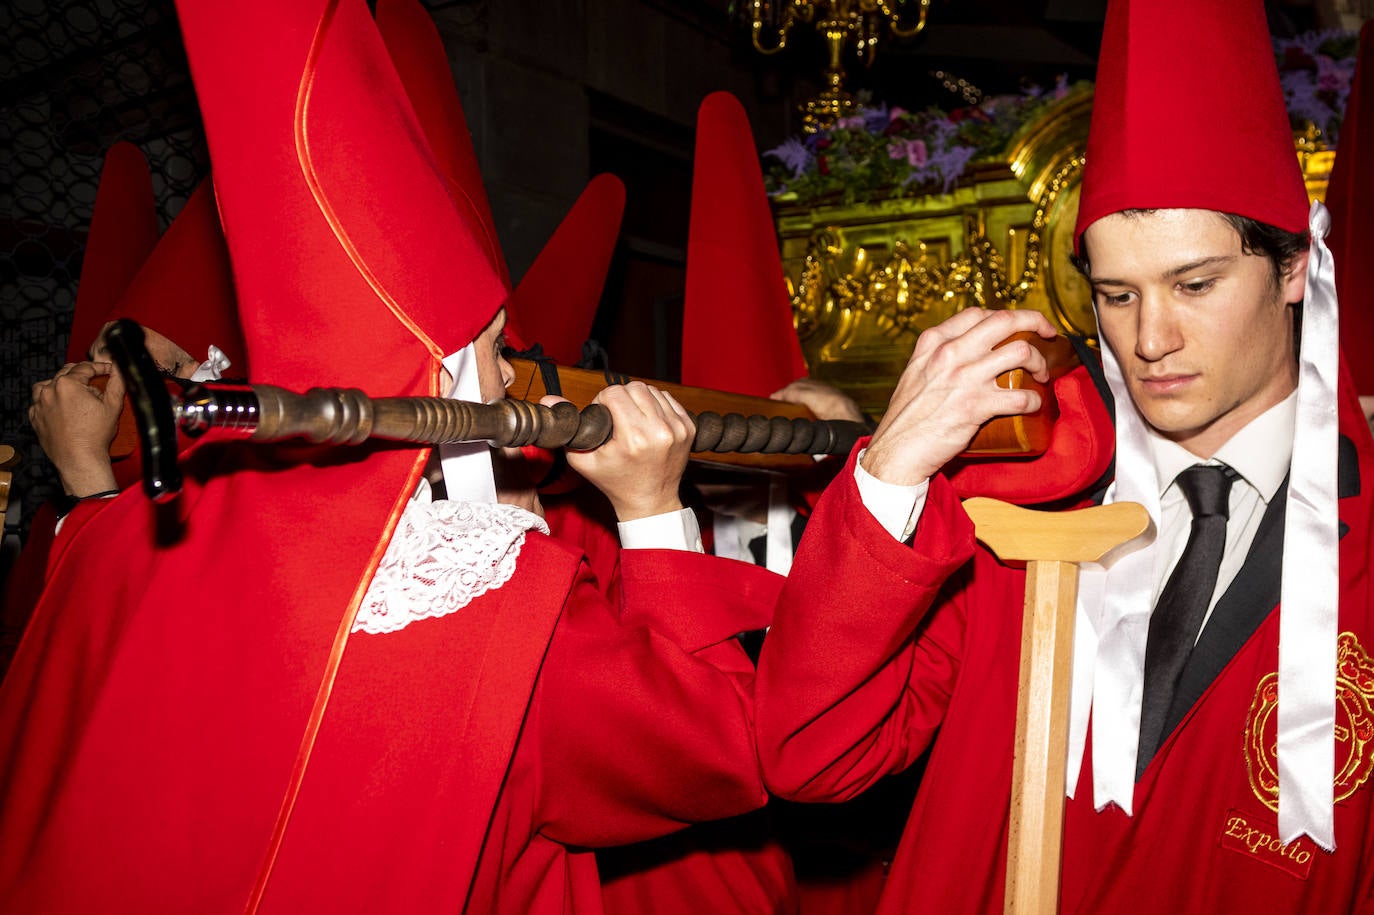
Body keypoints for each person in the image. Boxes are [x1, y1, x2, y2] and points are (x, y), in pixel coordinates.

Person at [0, 1, 787, 912]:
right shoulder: (493, 608)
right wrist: (654, 512)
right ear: (441, 380)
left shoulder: (124, 538)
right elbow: (723, 750)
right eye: (493, 347)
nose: (512, 374)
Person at [754, 0, 1374, 912]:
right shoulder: (1022, 507)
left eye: (1194, 284)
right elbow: (812, 752)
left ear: (1291, 270)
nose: (1151, 337)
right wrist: (889, 476)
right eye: (1116, 294)